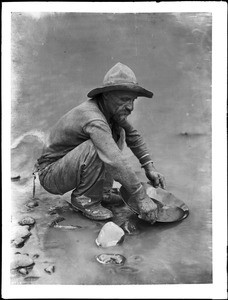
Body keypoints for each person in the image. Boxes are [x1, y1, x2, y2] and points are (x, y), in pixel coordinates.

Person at [36, 62, 165, 223]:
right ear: (106, 96)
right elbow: (114, 160)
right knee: (99, 147)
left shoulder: (111, 112)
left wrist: (149, 167)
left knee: (119, 132)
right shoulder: (93, 118)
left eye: (133, 100)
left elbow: (134, 136)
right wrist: (141, 196)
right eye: (124, 99)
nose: (131, 107)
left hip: (66, 166)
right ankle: (85, 199)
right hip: (50, 174)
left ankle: (102, 192)